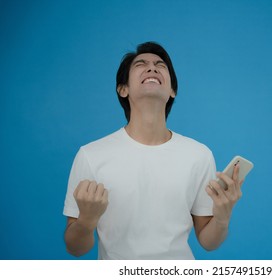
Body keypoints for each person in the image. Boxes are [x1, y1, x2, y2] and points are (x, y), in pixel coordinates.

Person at [63, 42, 243, 259]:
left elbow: (208, 241)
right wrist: (87, 221)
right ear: (123, 89)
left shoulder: (199, 155)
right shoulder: (91, 155)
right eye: (141, 64)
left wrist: (222, 218)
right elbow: (75, 248)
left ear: (172, 91)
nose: (152, 68)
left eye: (160, 65)